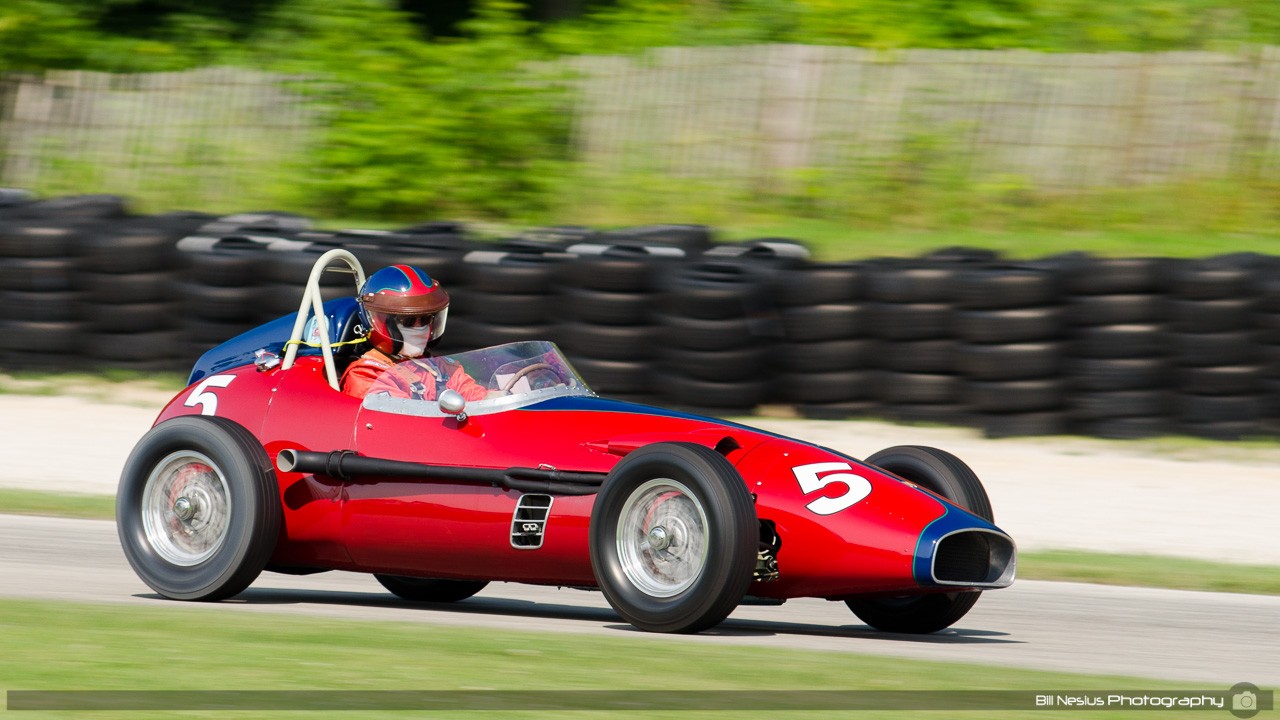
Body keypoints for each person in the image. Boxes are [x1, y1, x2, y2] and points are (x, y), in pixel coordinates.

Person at [341, 265, 487, 402]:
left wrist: (503, 396)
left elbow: (475, 396)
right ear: (378, 322)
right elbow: (400, 420)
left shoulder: (439, 367)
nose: (420, 327)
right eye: (407, 321)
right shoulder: (367, 375)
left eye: (425, 319)